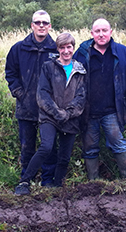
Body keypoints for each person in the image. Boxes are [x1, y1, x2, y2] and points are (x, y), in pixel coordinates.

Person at [14, 33, 87, 195]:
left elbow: (81, 98)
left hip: (71, 119)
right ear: (57, 49)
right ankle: (24, 181)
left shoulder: (80, 70)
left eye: (69, 47)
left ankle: (57, 187)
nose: (66, 51)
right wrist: (57, 113)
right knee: (46, 147)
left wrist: (67, 114)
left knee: (64, 157)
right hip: (49, 117)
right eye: (62, 47)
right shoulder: (48, 67)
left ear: (73, 48)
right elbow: (43, 94)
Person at [74, 18, 126, 180]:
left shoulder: (123, 53)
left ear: (111, 32)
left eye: (104, 31)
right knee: (89, 148)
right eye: (97, 31)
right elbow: (72, 81)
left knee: (119, 145)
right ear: (91, 34)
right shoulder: (82, 54)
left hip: (112, 111)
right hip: (88, 112)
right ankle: (94, 183)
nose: (101, 34)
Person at [5, 10, 59, 186]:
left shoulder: (57, 49)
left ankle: (47, 180)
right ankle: (25, 180)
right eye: (38, 22)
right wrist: (19, 93)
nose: (41, 26)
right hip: (26, 107)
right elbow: (10, 74)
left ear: (50, 26)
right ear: (32, 25)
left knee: (49, 147)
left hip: (49, 109)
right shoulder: (19, 48)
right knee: (27, 147)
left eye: (45, 23)